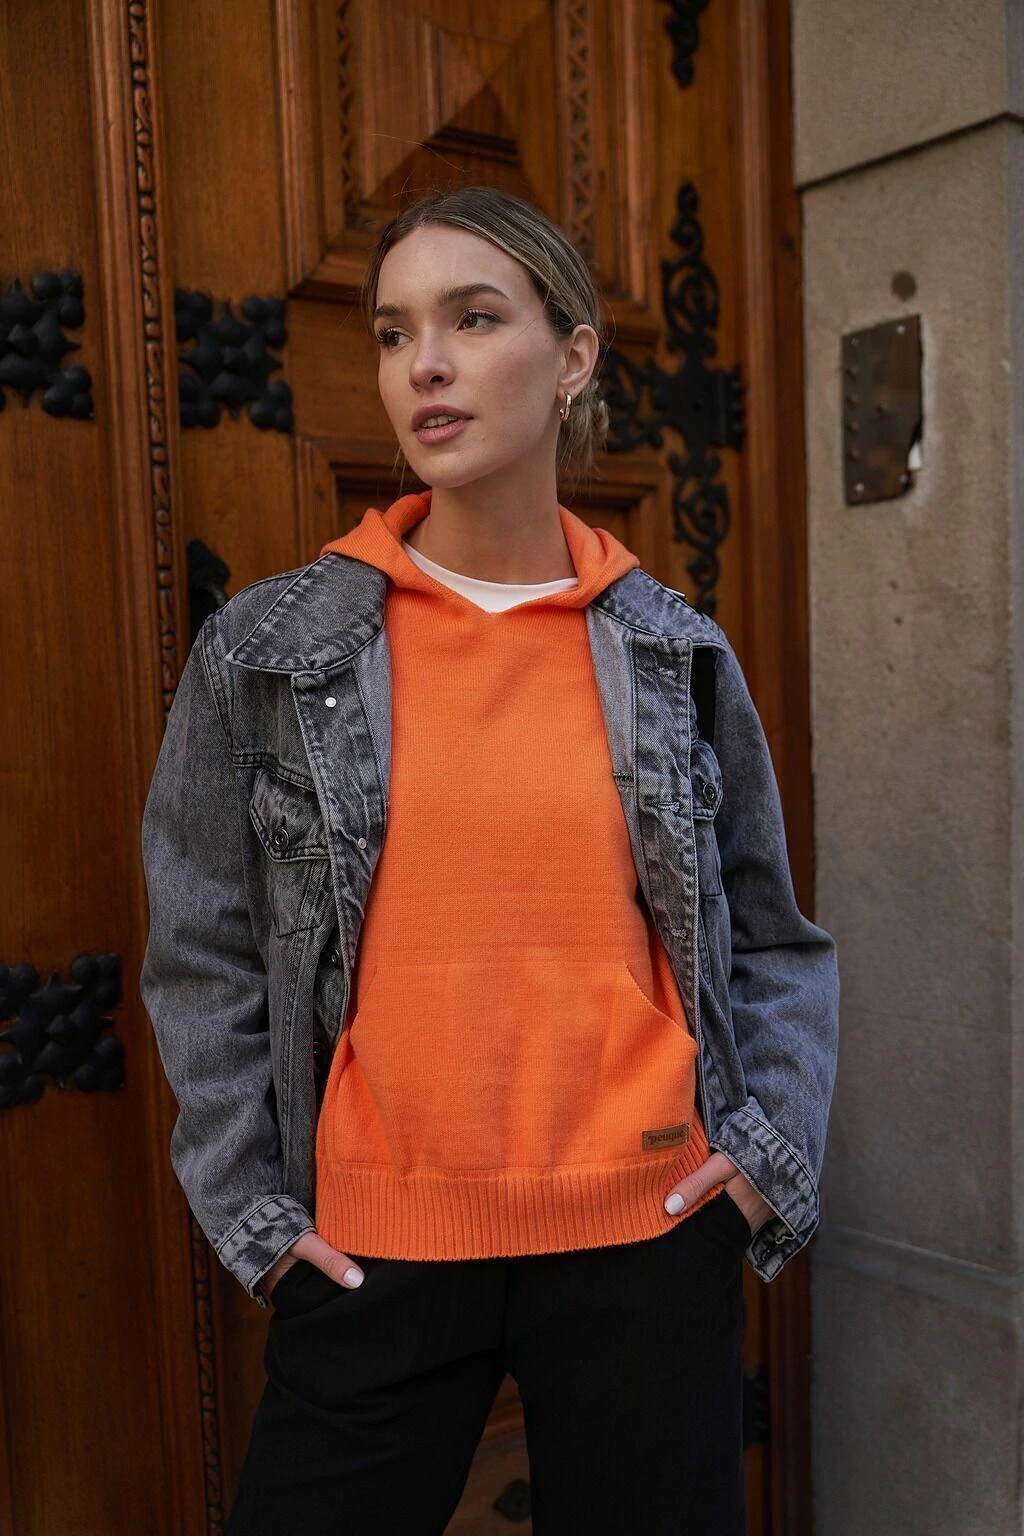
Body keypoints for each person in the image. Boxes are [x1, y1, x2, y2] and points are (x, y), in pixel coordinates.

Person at [140, 184, 840, 1535]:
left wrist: (762, 1158)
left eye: (472, 319)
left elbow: (773, 940)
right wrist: (253, 1215)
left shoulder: (672, 649)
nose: (427, 365)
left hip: (645, 1232)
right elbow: (201, 950)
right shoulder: (269, 653)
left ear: (573, 357)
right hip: (372, 1250)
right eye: (395, 332)